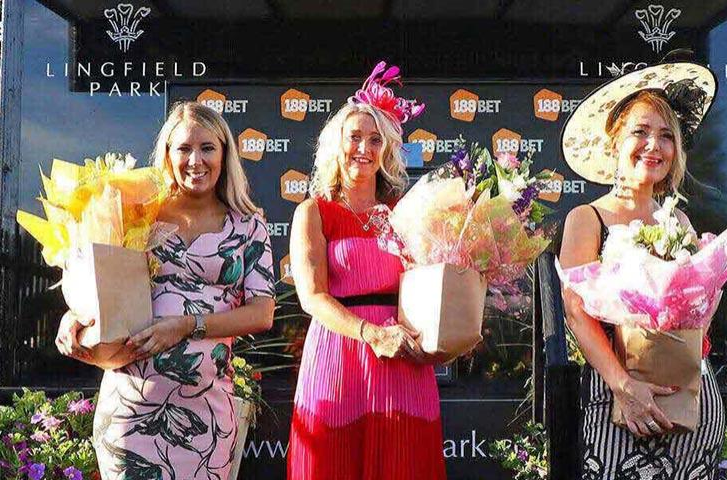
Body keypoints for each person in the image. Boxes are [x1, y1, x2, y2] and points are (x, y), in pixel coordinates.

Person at [56, 101, 277, 480]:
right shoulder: (136, 214)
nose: (196, 160)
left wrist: (187, 326)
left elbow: (262, 313)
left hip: (207, 418)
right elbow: (100, 286)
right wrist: (74, 316)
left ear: (224, 154)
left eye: (207, 148)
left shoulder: (248, 226)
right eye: (184, 148)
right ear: (168, 154)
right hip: (131, 408)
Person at [556, 62, 725, 479]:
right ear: (616, 141)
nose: (654, 145)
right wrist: (625, 386)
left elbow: (697, 314)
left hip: (690, 405)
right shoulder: (587, 218)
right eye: (641, 131)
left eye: (667, 136)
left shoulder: (679, 222)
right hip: (617, 404)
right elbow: (576, 313)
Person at [285, 61, 446, 480]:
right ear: (335, 145)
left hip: (403, 361)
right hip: (338, 357)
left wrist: (445, 335)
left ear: (387, 150)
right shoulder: (313, 213)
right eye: (354, 136)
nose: (364, 148)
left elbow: (431, 287)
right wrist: (371, 334)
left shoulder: (406, 213)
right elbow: (312, 297)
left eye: (376, 140)